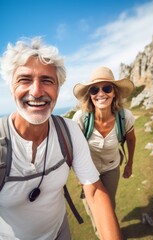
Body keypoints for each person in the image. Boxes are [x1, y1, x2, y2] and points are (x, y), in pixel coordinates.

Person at [0, 38, 122, 240]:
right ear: (11, 87)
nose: (37, 91)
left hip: (60, 232)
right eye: (25, 79)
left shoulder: (69, 131)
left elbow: (93, 190)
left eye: (47, 80)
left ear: (58, 88)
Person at [72, 66, 136, 236]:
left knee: (109, 203)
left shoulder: (125, 117)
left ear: (114, 92)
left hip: (111, 167)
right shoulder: (80, 118)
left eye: (107, 88)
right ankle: (101, 233)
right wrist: (80, 174)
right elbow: (75, 149)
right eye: (95, 89)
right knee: (92, 207)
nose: (101, 93)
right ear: (90, 95)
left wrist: (129, 164)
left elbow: (131, 139)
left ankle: (108, 230)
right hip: (88, 170)